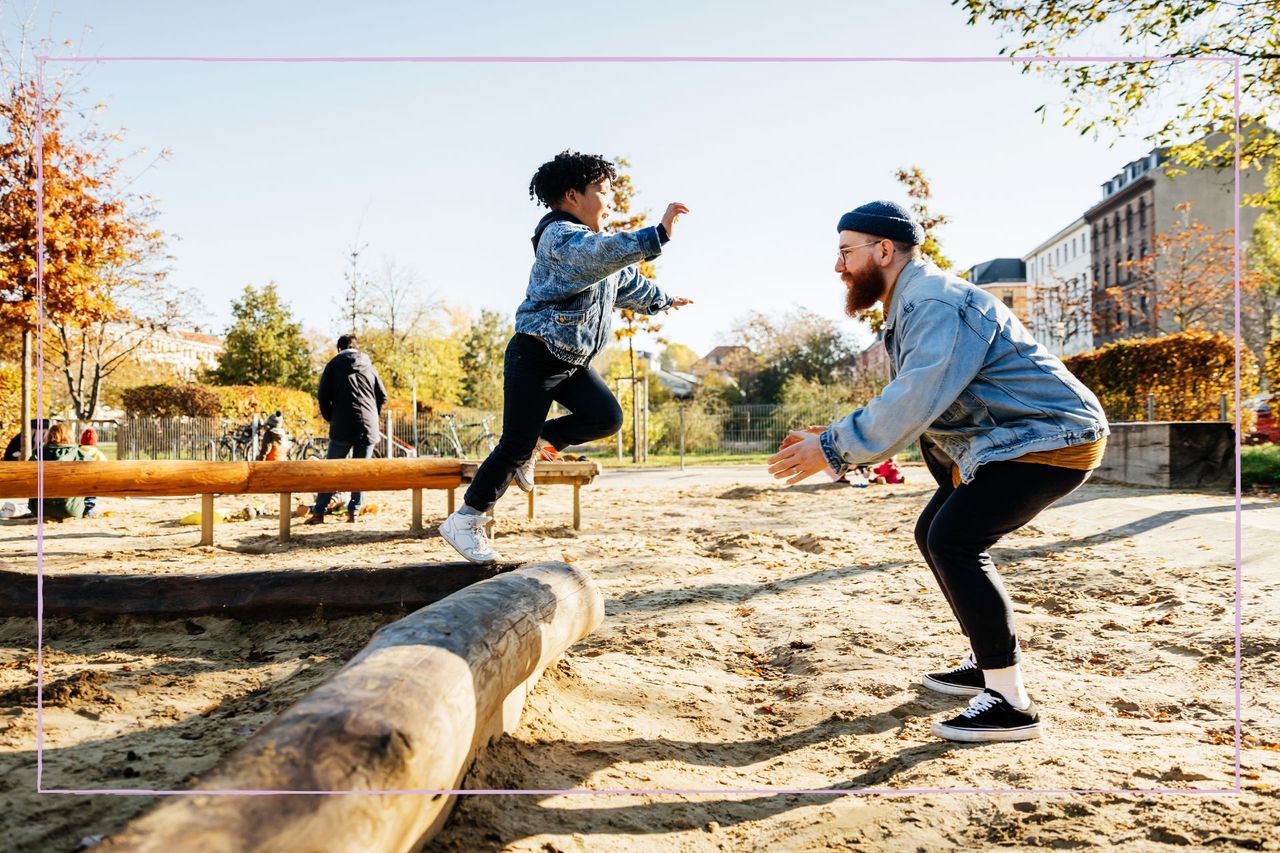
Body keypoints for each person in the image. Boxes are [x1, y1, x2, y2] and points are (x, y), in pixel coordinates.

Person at [767, 200, 1109, 743]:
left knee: (954, 540)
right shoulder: (913, 302)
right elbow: (929, 404)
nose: (838, 267)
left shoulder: (931, 301)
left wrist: (832, 448)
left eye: (845, 252)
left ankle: (1010, 703)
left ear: (883, 250)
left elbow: (916, 395)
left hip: (1049, 438)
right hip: (1013, 440)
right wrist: (830, 439)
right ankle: (986, 660)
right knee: (935, 532)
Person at [439, 150, 693, 563]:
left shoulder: (593, 250)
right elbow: (603, 254)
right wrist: (657, 234)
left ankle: (544, 442)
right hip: (536, 355)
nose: (610, 202)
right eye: (604, 192)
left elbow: (626, 282)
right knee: (514, 444)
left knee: (607, 417)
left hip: (571, 361)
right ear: (573, 196)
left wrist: (663, 300)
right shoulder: (560, 238)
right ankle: (467, 518)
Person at [306, 335, 388, 525]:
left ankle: (319, 512)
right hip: (368, 427)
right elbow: (382, 396)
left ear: (339, 348)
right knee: (360, 471)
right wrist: (373, 416)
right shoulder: (369, 365)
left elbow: (323, 395)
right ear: (356, 347)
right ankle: (354, 513)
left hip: (342, 425)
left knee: (331, 470)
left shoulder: (333, 366)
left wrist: (330, 418)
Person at [28, 422, 91, 521]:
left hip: (41, 509)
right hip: (72, 509)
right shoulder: (82, 455)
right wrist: (88, 510)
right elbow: (91, 486)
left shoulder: (38, 454)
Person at [78, 428, 108, 517]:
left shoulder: (77, 450)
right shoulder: (97, 453)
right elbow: (105, 464)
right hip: (91, 482)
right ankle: (88, 511)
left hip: (78, 480)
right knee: (91, 495)